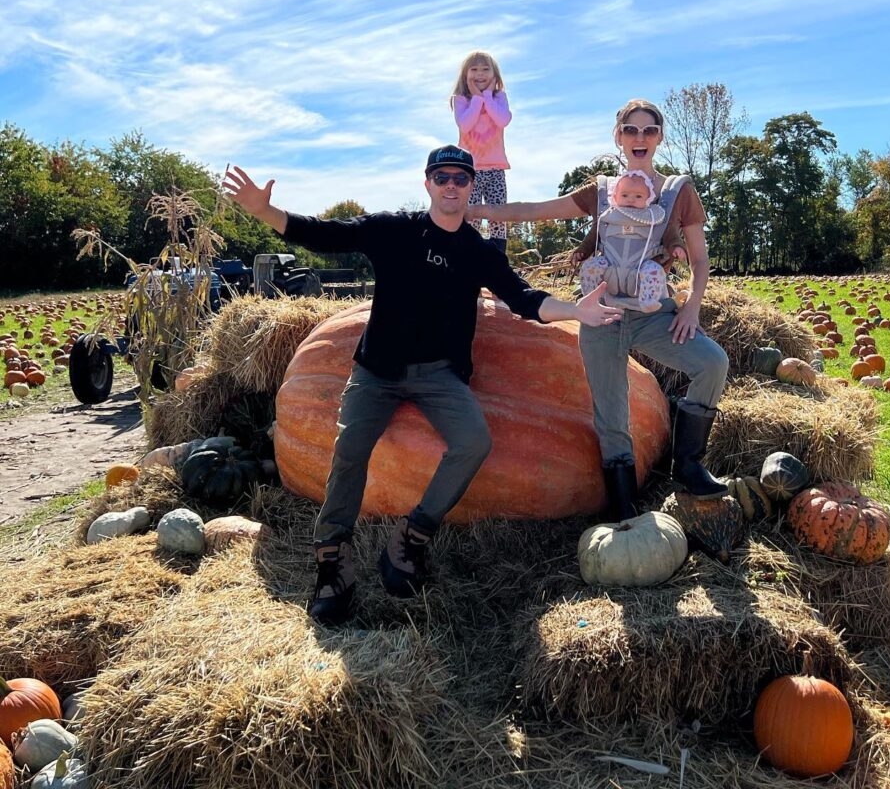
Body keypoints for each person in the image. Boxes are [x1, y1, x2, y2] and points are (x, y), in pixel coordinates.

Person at [222, 146, 622, 627]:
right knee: (350, 447)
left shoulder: (476, 251)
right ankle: (332, 561)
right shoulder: (395, 230)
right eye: (442, 177)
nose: (451, 185)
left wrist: (576, 311)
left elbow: (523, 298)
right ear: (427, 183)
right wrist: (265, 211)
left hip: (438, 375)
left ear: (472, 186)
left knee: (474, 441)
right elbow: (325, 235)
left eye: (460, 178)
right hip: (377, 370)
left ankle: (412, 538)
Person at [469, 100, 730, 519]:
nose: (639, 138)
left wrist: (691, 309)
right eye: (631, 130)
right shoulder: (602, 190)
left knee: (712, 362)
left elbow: (700, 260)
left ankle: (689, 465)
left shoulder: (679, 193)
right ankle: (624, 510)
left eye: (648, 130)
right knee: (612, 414)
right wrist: (477, 210)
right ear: (618, 136)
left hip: (653, 313)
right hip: (600, 315)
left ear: (660, 137)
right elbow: (537, 212)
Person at [577, 169, 686, 314]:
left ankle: (649, 300)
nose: (631, 199)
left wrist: (676, 247)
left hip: (640, 272)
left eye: (638, 196)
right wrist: (582, 252)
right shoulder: (607, 216)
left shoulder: (654, 217)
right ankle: (590, 297)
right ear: (615, 196)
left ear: (648, 199)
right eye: (625, 195)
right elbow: (593, 237)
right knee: (591, 266)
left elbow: (669, 235)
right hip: (610, 269)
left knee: (655, 270)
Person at [450, 51, 512, 254]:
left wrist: (487, 96)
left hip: (495, 167)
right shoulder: (461, 100)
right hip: (470, 170)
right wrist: (476, 99)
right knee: (470, 214)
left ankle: (498, 256)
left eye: (486, 69)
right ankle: (469, 255)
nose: (480, 74)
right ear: (465, 75)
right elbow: (465, 125)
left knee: (498, 214)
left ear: (495, 74)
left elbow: (502, 120)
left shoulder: (499, 97)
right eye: (474, 69)